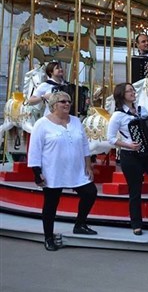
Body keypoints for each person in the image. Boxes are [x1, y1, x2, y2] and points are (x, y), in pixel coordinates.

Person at [28, 91, 98, 251]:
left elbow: (85, 144)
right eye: (63, 102)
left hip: (76, 168)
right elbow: (35, 150)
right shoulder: (42, 124)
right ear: (53, 105)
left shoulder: (75, 121)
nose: (67, 104)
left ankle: (80, 224)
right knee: (51, 203)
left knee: (90, 192)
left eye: (69, 101)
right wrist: (36, 172)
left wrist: (88, 165)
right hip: (53, 170)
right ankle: (48, 237)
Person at [107, 83, 148, 236]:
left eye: (133, 90)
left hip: (147, 154)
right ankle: (136, 223)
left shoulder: (141, 110)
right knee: (135, 190)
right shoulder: (118, 116)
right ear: (121, 95)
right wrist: (128, 145)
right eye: (129, 91)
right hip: (130, 156)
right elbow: (110, 139)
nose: (133, 92)